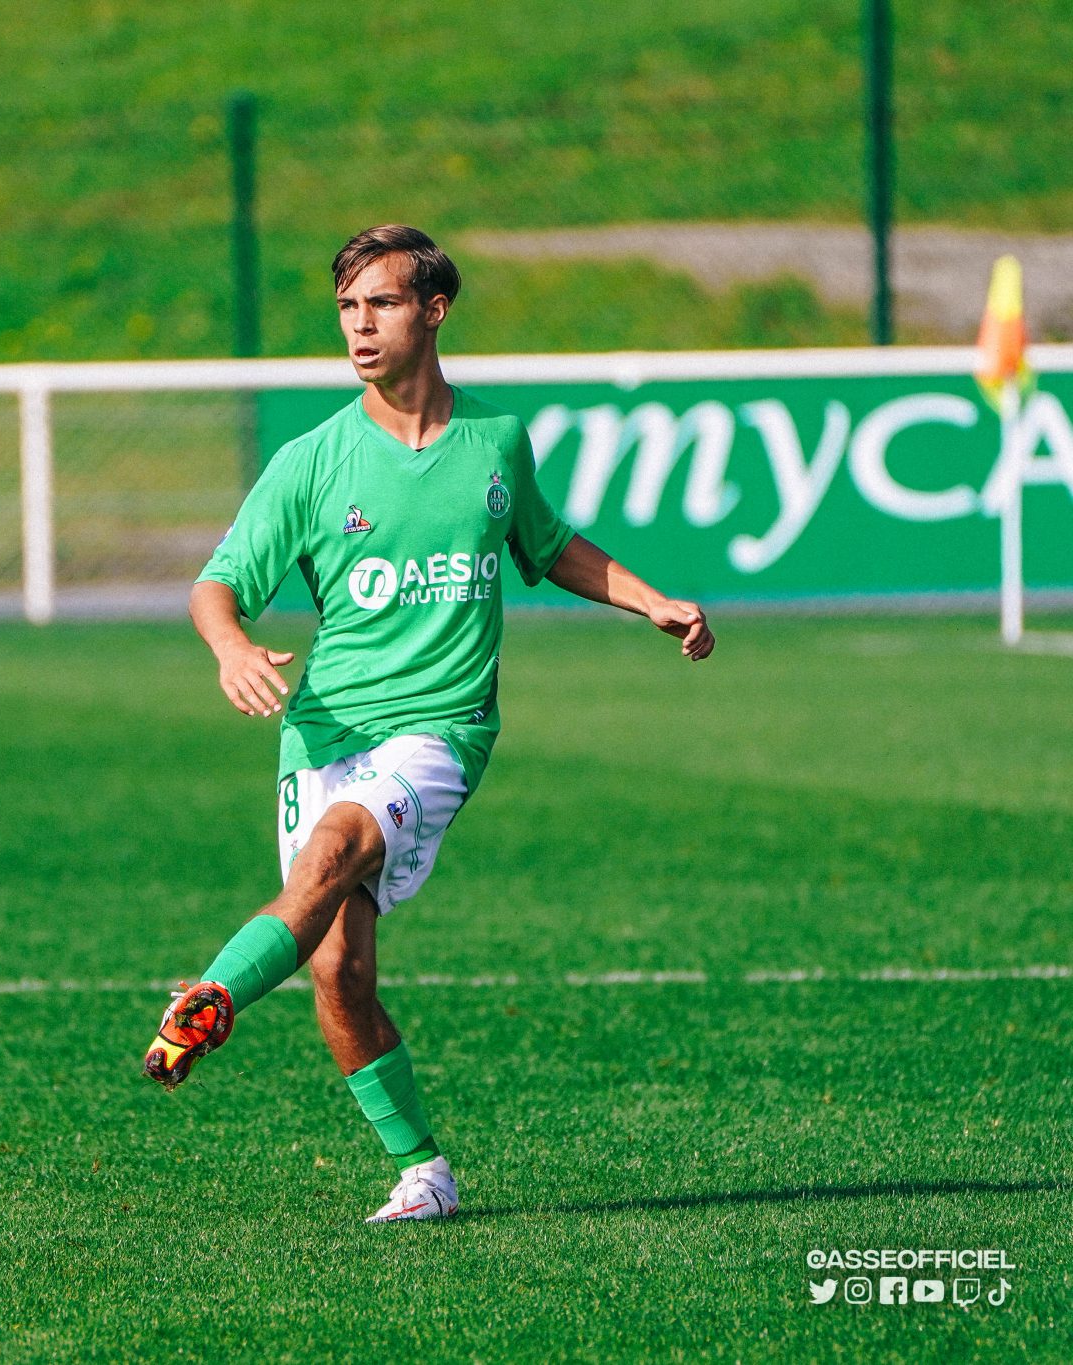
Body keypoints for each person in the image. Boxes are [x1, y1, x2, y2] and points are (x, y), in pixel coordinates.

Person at [142, 224, 715, 1223]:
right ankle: (423, 1171)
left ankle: (214, 999)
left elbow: (544, 544)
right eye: (346, 308)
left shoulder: (493, 443)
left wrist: (650, 599)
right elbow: (216, 585)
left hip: (438, 731)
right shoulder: (311, 462)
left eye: (381, 303)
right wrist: (231, 648)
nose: (359, 326)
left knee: (331, 852)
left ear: (432, 311)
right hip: (321, 731)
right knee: (338, 974)